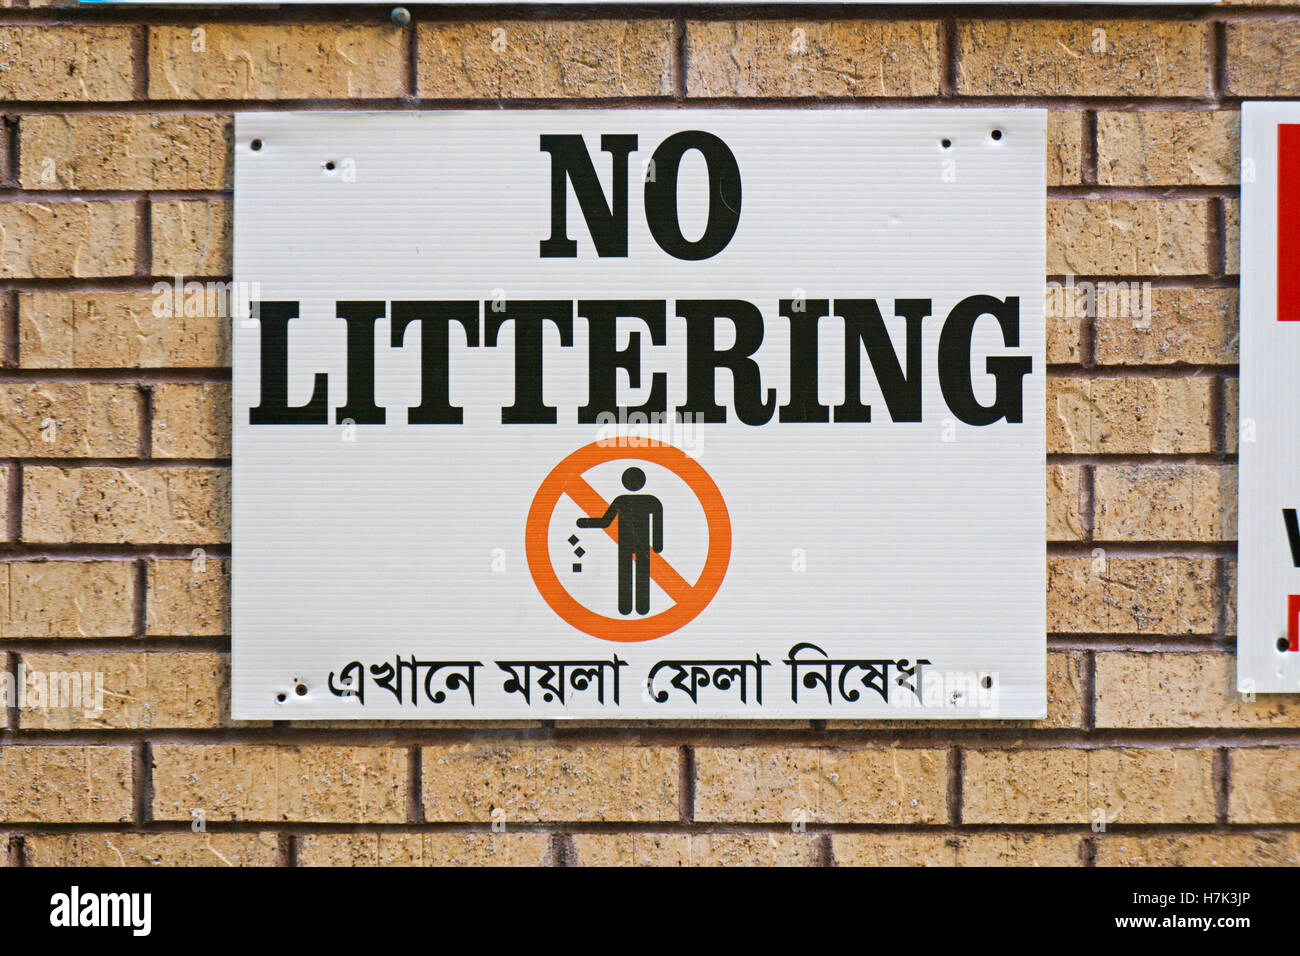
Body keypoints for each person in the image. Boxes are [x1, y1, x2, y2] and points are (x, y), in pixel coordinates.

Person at [577, 467, 663, 615]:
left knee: (626, 575)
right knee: (640, 574)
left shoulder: (621, 500)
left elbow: (605, 522)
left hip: (626, 544)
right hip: (640, 544)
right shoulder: (651, 501)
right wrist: (657, 545)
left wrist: (584, 522)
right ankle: (641, 608)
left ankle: (626, 608)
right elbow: (657, 523)